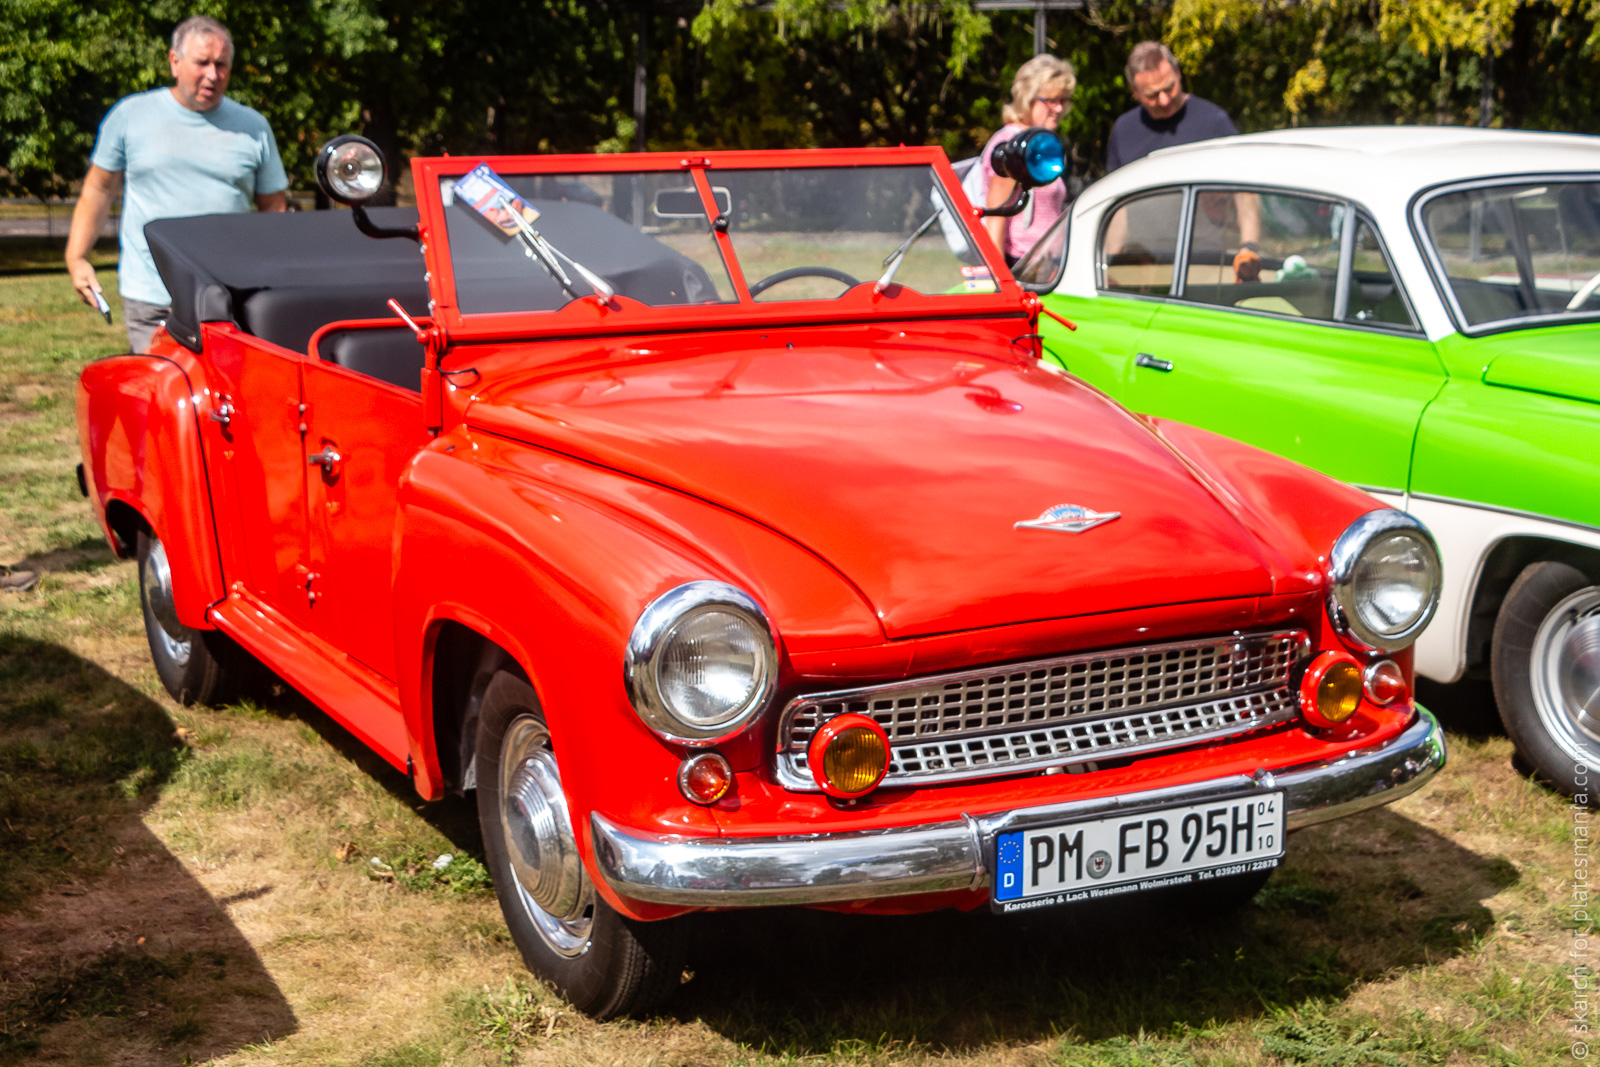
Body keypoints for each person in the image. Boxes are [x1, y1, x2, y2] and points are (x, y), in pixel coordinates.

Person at [66, 16, 288, 353]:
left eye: (222, 64)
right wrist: (77, 257)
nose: (213, 75)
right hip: (153, 296)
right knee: (165, 397)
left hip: (231, 295)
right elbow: (98, 190)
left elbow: (274, 206)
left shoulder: (253, 126)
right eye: (202, 63)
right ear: (175, 62)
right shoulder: (130, 116)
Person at [1104, 42, 1260, 281]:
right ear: (1135, 93)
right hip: (1141, 264)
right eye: (1153, 95)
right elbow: (1118, 207)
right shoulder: (1124, 130)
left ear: (1178, 74)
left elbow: (1245, 191)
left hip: (1203, 261)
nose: (1165, 100)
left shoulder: (1214, 122)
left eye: (1170, 87)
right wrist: (1110, 262)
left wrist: (1248, 248)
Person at [979, 54, 1075, 265]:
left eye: (1063, 100)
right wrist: (1000, 280)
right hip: (1021, 263)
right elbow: (996, 215)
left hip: (1045, 263)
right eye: (1051, 100)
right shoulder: (1013, 143)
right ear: (1027, 98)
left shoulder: (1039, 143)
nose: (1059, 108)